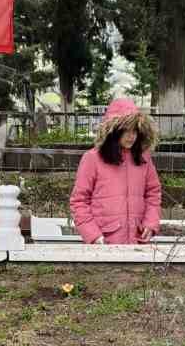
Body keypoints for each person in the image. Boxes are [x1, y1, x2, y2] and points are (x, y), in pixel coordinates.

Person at [69, 97, 163, 245]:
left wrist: (150, 223)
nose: (132, 136)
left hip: (137, 243)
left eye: (135, 130)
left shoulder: (143, 158)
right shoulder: (92, 159)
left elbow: (153, 193)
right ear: (114, 130)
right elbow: (79, 201)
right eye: (126, 130)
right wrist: (94, 235)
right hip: (104, 243)